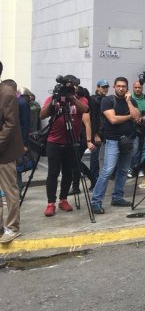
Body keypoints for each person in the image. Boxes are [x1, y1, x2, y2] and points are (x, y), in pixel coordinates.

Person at [40, 75, 89, 217]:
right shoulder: (53, 99)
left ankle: (63, 199)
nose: (71, 88)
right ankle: (51, 203)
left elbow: (85, 109)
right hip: (54, 141)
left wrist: (72, 97)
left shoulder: (81, 98)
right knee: (53, 173)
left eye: (73, 86)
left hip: (71, 141)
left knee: (68, 172)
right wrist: (55, 100)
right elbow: (42, 115)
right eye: (68, 86)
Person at [90, 77, 140, 214]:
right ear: (114, 87)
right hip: (113, 141)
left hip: (128, 140)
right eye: (118, 86)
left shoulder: (131, 100)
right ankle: (96, 201)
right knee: (107, 171)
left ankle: (117, 197)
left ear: (127, 88)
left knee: (123, 170)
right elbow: (112, 119)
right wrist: (129, 117)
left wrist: (129, 101)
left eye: (124, 86)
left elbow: (137, 116)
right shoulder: (108, 100)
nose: (121, 88)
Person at [0, 67, 24, 243]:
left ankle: (12, 227)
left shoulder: (7, 94)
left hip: (4, 152)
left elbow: (10, 125)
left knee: (9, 191)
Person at [88, 79, 109, 185]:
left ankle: (102, 176)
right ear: (98, 87)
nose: (105, 89)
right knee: (95, 156)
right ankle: (94, 179)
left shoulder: (107, 99)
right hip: (97, 132)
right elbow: (92, 118)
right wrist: (95, 134)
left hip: (106, 131)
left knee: (105, 155)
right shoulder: (93, 99)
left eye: (106, 87)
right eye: (103, 87)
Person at [128, 81, 145, 177]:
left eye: (139, 87)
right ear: (133, 88)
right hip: (133, 128)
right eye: (135, 87)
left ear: (142, 88)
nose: (137, 89)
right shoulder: (130, 99)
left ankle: (140, 168)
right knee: (135, 149)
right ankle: (132, 169)